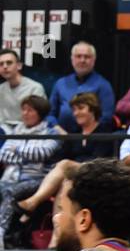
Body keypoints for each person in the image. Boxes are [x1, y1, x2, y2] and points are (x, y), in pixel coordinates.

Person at [13, 92, 114, 231]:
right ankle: (57, 238)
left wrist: (67, 164)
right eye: (74, 109)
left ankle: (33, 202)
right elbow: (61, 155)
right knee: (64, 184)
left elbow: (99, 160)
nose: (76, 113)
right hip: (74, 175)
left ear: (92, 109)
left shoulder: (104, 131)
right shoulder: (74, 133)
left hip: (96, 173)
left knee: (65, 165)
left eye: (81, 108)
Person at [0, 95, 59, 248]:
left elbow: (42, 153)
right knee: (7, 187)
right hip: (10, 177)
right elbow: (3, 154)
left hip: (37, 180)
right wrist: (27, 156)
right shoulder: (16, 131)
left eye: (30, 110)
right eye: (23, 110)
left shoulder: (51, 132)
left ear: (40, 112)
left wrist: (17, 150)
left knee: (10, 191)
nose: (25, 113)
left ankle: (0, 233)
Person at [48, 42, 114, 132]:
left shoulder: (103, 85)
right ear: (72, 59)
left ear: (94, 60)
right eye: (78, 56)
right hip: (60, 136)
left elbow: (106, 117)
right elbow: (50, 114)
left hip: (90, 139)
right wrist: (56, 128)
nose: (82, 60)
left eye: (87, 57)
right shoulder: (60, 83)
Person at [0, 48, 46, 129]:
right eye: (1, 64)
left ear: (19, 66)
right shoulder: (1, 89)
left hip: (27, 133)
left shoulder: (35, 88)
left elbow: (39, 119)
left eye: (9, 63)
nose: (5, 66)